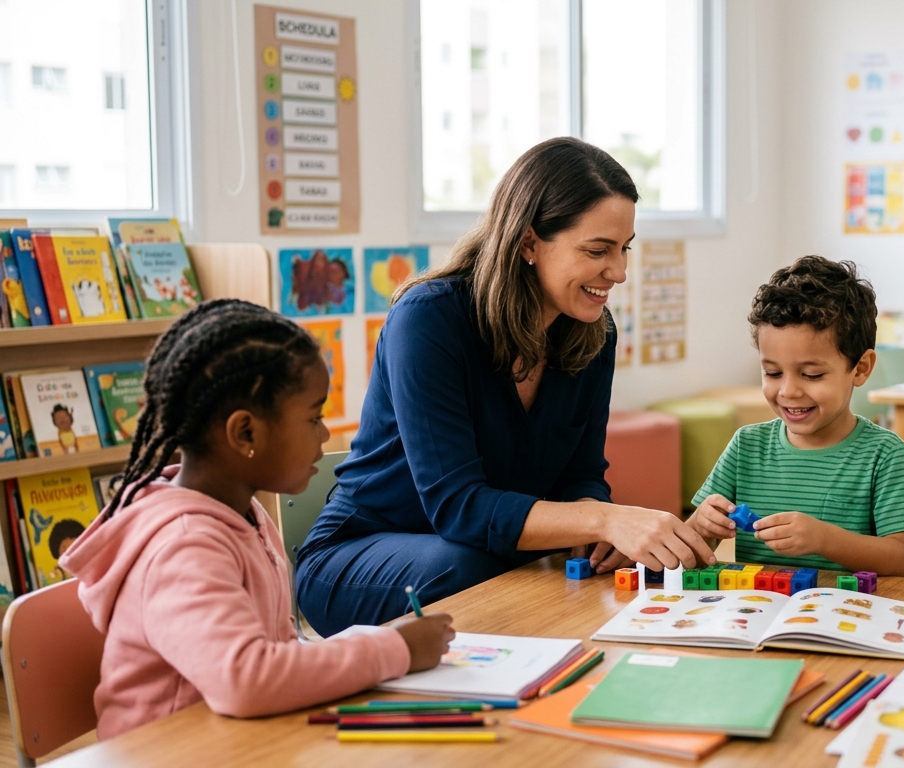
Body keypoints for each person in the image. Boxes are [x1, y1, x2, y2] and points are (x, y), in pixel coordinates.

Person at [295, 138, 715, 637]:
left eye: (624, 249)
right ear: (528, 242)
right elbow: (458, 506)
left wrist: (596, 520)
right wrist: (602, 521)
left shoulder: (594, 335)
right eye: (598, 250)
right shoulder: (429, 320)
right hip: (361, 553)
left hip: (481, 549)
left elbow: (581, 475)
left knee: (598, 573)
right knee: (479, 567)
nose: (619, 272)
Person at [59, 300, 455, 739]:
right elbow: (245, 679)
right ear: (244, 432)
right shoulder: (183, 545)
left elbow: (273, 653)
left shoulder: (243, 513)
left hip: (238, 739)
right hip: (169, 752)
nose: (325, 434)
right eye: (314, 417)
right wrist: (393, 649)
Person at [686, 256, 904, 574]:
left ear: (861, 368)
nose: (788, 391)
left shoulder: (883, 454)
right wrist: (702, 525)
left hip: (849, 617)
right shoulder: (746, 446)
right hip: (758, 615)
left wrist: (825, 539)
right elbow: (690, 552)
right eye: (772, 372)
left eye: (812, 375)